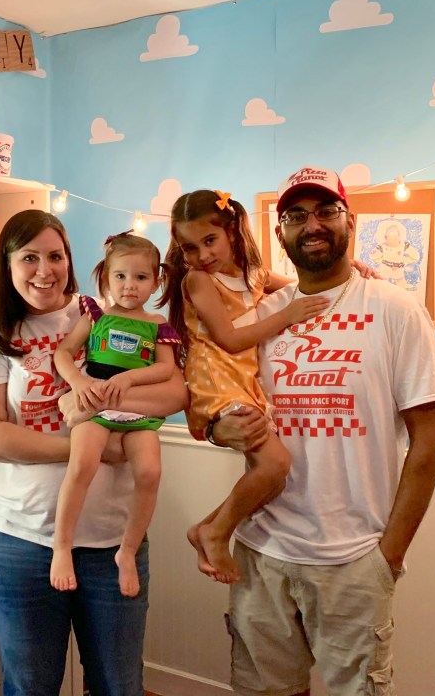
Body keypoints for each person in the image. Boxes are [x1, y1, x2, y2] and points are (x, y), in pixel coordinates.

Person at [211, 166, 435, 696]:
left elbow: (429, 440)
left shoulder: (394, 308)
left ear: (351, 220)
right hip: (261, 551)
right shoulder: (261, 316)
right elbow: (217, 396)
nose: (313, 225)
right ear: (280, 233)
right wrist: (217, 430)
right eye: (296, 216)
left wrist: (389, 555)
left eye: (326, 211)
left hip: (355, 560)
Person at [0, 210, 188, 696]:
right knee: (31, 687)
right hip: (22, 539)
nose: (45, 271)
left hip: (110, 539)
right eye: (29, 258)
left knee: (119, 686)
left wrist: (97, 404)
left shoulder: (100, 311)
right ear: (7, 263)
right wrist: (91, 447)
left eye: (56, 256)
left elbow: (174, 394)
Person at [159, 189, 331, 584]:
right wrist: (287, 315)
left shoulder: (253, 275)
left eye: (210, 240)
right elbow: (230, 340)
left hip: (242, 382)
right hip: (215, 380)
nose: (202, 255)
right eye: (189, 248)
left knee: (272, 476)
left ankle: (207, 527)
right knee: (276, 463)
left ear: (232, 230)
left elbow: (304, 284)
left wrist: (350, 268)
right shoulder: (199, 280)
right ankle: (217, 533)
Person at [51, 232, 179, 597]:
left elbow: (166, 369)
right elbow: (63, 352)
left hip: (135, 407)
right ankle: (62, 546)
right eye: (120, 276)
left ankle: (128, 550)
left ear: (156, 281)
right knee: (82, 464)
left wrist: (131, 378)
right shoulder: (96, 315)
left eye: (141, 277)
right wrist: (77, 382)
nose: (129, 285)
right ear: (106, 277)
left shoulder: (157, 324)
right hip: (94, 401)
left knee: (150, 472)